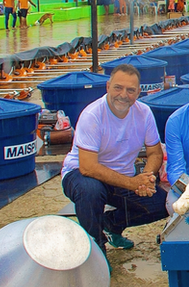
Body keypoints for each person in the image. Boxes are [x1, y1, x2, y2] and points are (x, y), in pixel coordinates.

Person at [61, 64, 168, 253]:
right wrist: (132, 183)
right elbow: (88, 167)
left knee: (163, 205)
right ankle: (95, 250)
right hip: (81, 175)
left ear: (138, 93)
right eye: (118, 88)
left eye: (130, 90)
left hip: (122, 178)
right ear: (108, 87)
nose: (123, 94)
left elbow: (155, 152)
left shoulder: (143, 113)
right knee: (90, 190)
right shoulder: (92, 115)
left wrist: (147, 177)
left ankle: (110, 225)